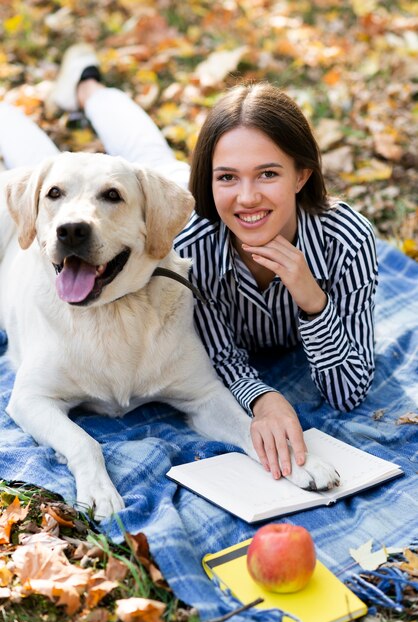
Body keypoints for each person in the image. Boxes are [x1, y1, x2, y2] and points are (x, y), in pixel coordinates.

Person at [0, 44, 378, 482]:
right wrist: (261, 400)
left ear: (302, 175)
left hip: (164, 194)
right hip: (175, 199)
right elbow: (223, 357)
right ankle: (59, 96)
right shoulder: (196, 243)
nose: (249, 195)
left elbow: (345, 387)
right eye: (228, 177)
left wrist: (314, 302)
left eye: (269, 173)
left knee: (145, 153)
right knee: (49, 167)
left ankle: (87, 88)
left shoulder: (342, 239)